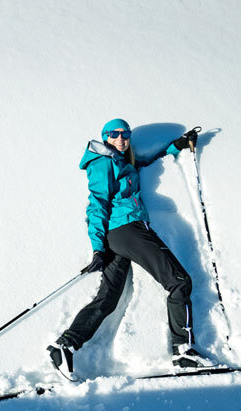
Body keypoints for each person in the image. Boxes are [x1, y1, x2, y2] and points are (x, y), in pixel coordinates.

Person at [48, 119, 213, 380]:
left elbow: (145, 162)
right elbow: (97, 205)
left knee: (108, 298)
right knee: (179, 281)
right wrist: (97, 249)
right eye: (115, 134)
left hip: (120, 235)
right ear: (105, 138)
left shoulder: (122, 161)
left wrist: (176, 146)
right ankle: (183, 351)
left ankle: (65, 345)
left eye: (126, 134)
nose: (122, 139)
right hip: (128, 229)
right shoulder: (103, 163)